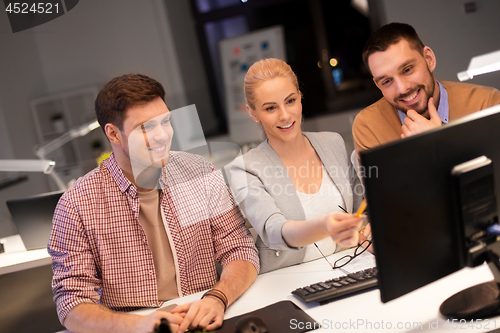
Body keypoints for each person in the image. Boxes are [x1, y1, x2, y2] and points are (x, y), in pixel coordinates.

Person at [48, 74, 259, 333]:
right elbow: (71, 302)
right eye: (146, 127)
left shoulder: (200, 172)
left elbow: (240, 249)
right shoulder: (76, 204)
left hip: (205, 317)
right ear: (113, 134)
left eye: (166, 121)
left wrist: (218, 297)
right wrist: (139, 324)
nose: (162, 136)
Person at [228, 58, 366, 274]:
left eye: (290, 101)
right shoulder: (245, 168)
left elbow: (360, 211)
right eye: (270, 108)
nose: (284, 115)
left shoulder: (333, 143)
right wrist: (324, 227)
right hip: (288, 282)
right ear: (253, 113)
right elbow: (274, 231)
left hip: (348, 267)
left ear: (300, 97)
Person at [352, 22, 500, 155]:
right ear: (378, 85)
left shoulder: (486, 103)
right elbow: (385, 186)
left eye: (407, 69)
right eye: (387, 81)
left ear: (428, 59)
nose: (402, 89)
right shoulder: (368, 126)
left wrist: (440, 141)